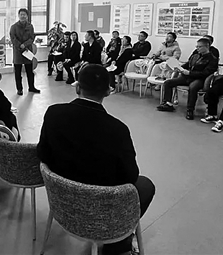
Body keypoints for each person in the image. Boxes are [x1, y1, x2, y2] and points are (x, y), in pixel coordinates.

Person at [37, 64, 155, 255]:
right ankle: (117, 243)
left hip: (62, 201)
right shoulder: (117, 129)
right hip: (102, 204)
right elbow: (130, 176)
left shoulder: (53, 113)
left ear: (77, 87)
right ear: (108, 91)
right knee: (145, 185)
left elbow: (43, 153)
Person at [157, 38, 218, 120]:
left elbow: (206, 73)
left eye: (199, 47)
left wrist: (189, 73)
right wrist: (178, 68)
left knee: (193, 87)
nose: (197, 48)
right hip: (187, 77)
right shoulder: (195, 56)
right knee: (168, 83)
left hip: (200, 79)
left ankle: (190, 110)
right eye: (197, 46)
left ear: (207, 47)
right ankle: (168, 104)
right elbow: (187, 65)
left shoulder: (213, 59)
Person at [9, 8, 40, 95]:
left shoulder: (30, 26)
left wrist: (25, 44)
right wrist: (20, 45)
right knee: (18, 72)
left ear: (27, 16)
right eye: (21, 14)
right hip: (17, 52)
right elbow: (13, 38)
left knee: (30, 71)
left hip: (27, 51)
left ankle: (31, 87)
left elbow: (32, 38)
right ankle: (19, 89)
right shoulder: (14, 27)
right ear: (18, 16)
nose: (22, 16)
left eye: (24, 14)